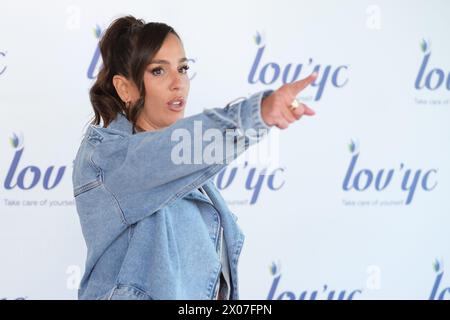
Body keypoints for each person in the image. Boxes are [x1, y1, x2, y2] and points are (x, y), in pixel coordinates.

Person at [72, 15, 317, 300]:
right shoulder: (109, 159)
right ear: (125, 88)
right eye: (158, 71)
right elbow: (176, 149)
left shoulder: (186, 173)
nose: (179, 83)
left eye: (183, 68)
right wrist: (258, 113)